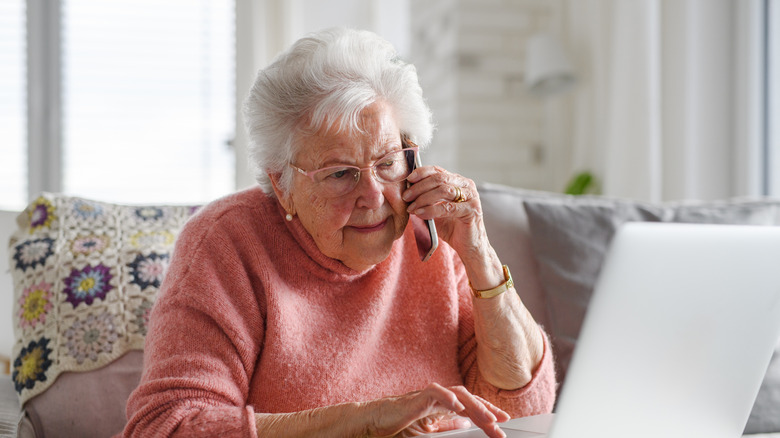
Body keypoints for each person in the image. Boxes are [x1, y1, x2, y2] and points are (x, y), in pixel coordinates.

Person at [123, 27, 555, 438]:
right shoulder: (227, 244)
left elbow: (524, 409)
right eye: (341, 173)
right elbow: (168, 425)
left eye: (387, 163)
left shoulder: (432, 233)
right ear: (282, 186)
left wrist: (479, 253)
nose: (374, 195)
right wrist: (365, 423)